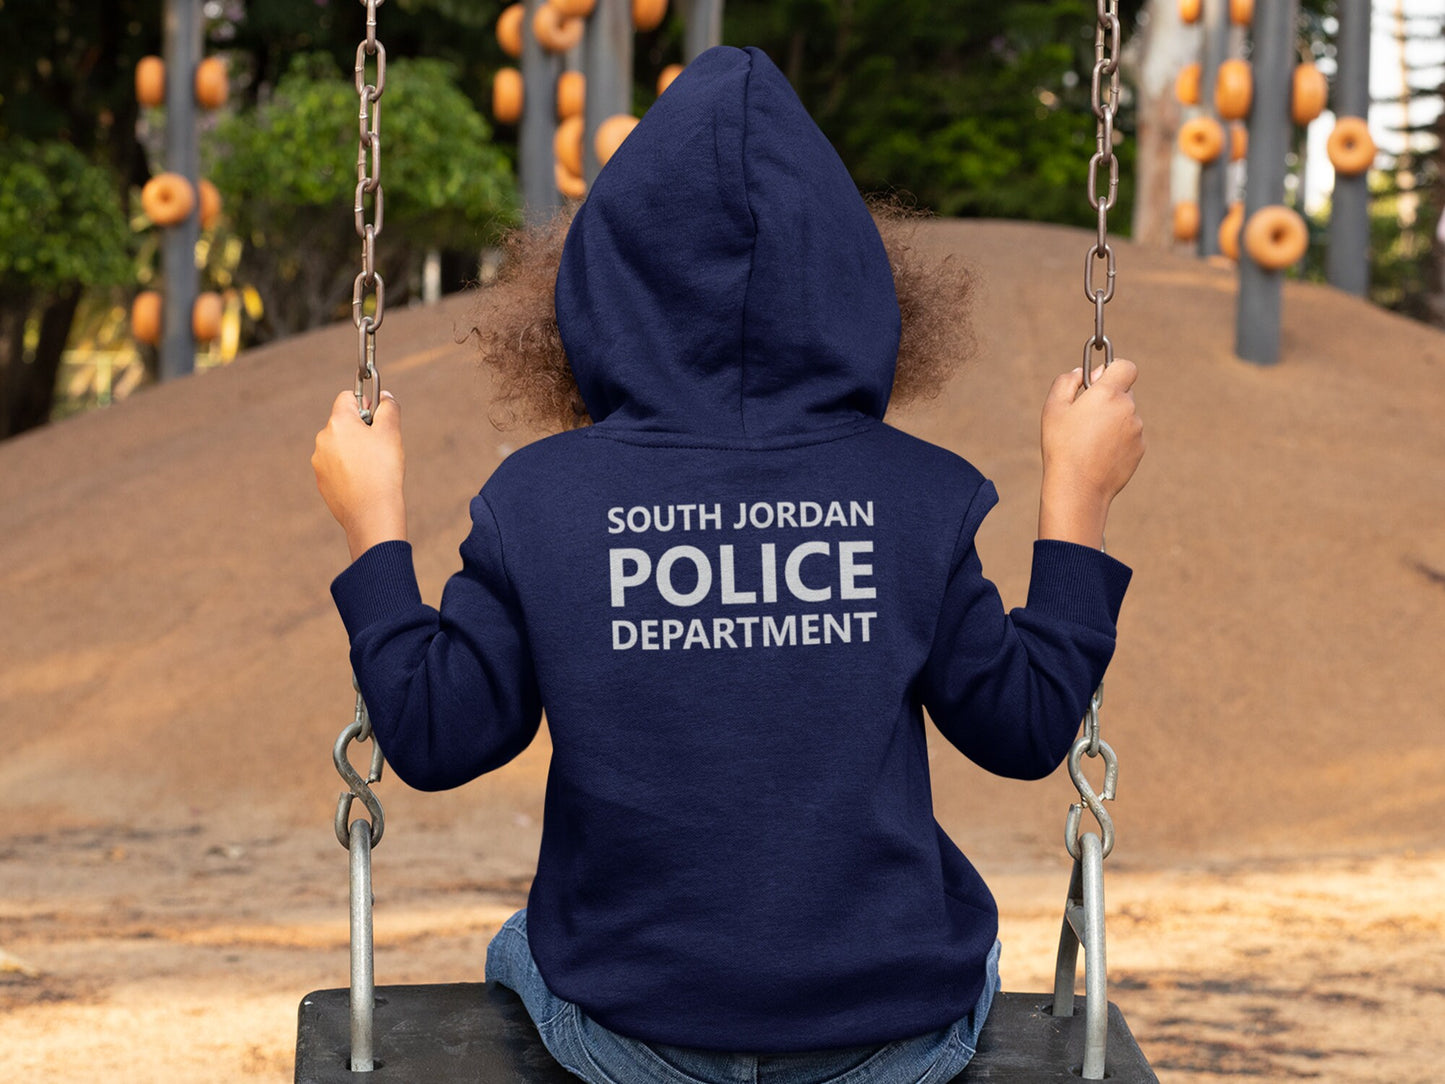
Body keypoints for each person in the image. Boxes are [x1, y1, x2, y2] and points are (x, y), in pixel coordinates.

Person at [312, 45, 1143, 1084]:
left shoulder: (539, 500)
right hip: (890, 1033)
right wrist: (1077, 494)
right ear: (854, 283)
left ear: (595, 290)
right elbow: (1021, 730)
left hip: (630, 1033)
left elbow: (434, 735)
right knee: (958, 944)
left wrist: (371, 521)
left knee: (524, 944)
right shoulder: (917, 496)